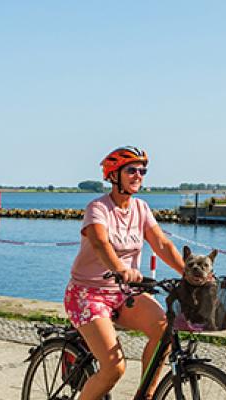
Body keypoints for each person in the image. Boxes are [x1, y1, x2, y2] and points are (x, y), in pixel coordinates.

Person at [65, 146, 190, 400]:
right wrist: (121, 268)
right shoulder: (98, 208)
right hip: (88, 294)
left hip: (125, 292)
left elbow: (162, 244)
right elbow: (101, 243)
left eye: (142, 171)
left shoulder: (141, 208)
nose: (138, 176)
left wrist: (189, 273)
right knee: (114, 368)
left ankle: (145, 395)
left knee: (164, 331)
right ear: (114, 175)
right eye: (131, 170)